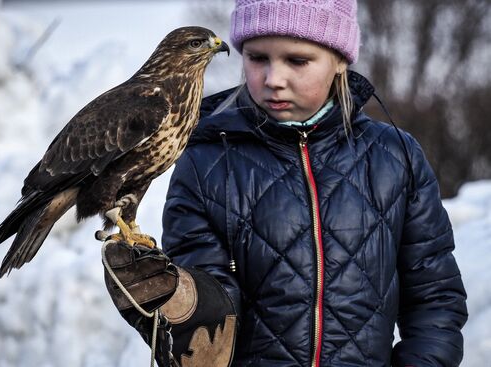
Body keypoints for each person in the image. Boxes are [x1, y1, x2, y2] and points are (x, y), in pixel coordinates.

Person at [103, 0, 468, 366]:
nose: (273, 79)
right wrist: (179, 303)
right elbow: (213, 318)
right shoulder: (205, 160)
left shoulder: (395, 156)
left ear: (340, 60)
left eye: (297, 60)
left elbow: (434, 298)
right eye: (257, 58)